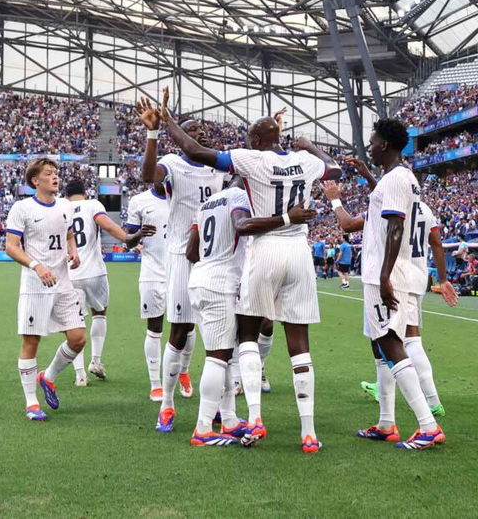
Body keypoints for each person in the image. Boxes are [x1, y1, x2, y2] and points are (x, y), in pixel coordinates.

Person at [157, 91, 343, 454]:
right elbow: (335, 170)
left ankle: (252, 417)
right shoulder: (305, 161)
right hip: (299, 252)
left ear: (254, 142)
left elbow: (196, 153)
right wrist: (308, 145)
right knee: (298, 345)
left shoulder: (243, 169)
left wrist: (167, 122)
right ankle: (308, 432)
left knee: (241, 341)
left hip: (256, 256)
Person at [323, 119, 448, 450]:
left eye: (375, 142)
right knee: (380, 346)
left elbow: (394, 227)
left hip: (388, 273)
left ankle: (427, 425)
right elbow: (385, 206)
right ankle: (386, 423)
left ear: (388, 145)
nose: (371, 146)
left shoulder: (396, 179)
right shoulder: (400, 178)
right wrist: (366, 173)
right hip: (397, 271)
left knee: (392, 343)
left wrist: (383, 276)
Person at [185, 179, 316, 446]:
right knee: (218, 357)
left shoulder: (207, 203)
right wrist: (285, 218)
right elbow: (242, 226)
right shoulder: (241, 197)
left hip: (200, 279)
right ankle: (203, 428)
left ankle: (230, 419)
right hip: (222, 282)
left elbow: (190, 252)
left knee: (227, 355)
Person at [137, 96, 232, 430]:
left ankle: (222, 407)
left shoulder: (218, 166)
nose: (201, 135)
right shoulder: (174, 165)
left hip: (219, 258)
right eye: (193, 131)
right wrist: (152, 135)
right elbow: (148, 175)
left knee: (222, 335)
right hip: (182, 256)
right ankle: (166, 404)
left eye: (203, 131)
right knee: (180, 331)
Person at [4, 158, 84, 422]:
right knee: (31, 341)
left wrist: (73, 252)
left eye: (56, 173)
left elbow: (68, 233)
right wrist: (37, 266)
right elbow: (12, 246)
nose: (55, 177)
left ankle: (47, 378)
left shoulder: (65, 206)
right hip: (36, 284)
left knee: (78, 338)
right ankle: (31, 403)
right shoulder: (22, 208)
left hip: (63, 282)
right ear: (35, 181)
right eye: (48, 174)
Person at [63, 179, 155, 385]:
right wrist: (129, 239)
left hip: (70, 274)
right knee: (100, 313)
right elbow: (107, 225)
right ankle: (95, 361)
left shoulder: (61, 208)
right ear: (84, 193)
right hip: (94, 271)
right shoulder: (93, 205)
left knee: (74, 323)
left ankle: (79, 375)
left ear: (66, 194)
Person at [124, 182, 170, 402]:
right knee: (154, 328)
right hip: (152, 272)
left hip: (180, 271)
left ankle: (184, 371)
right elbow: (128, 243)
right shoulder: (139, 201)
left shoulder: (184, 195)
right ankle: (156, 384)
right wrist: (139, 235)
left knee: (186, 328)